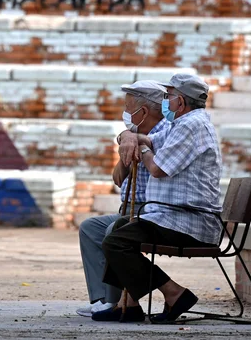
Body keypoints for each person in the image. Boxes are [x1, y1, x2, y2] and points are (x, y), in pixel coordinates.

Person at [92, 73, 222, 322]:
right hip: (172, 216)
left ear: (180, 102)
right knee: (119, 227)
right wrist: (129, 136)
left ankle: (174, 293)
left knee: (116, 241)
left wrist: (141, 147)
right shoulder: (181, 124)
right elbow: (148, 139)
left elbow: (157, 168)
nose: (166, 102)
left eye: (169, 96)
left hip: (189, 220)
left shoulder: (191, 125)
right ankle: (128, 304)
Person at [76, 81, 167, 317]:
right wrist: (126, 141)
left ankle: (114, 301)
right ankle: (100, 299)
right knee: (89, 228)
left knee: (113, 233)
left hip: (148, 211)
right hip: (127, 209)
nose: (124, 113)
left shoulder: (163, 135)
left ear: (144, 112)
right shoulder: (135, 135)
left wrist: (136, 140)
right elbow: (118, 178)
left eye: (128, 107)